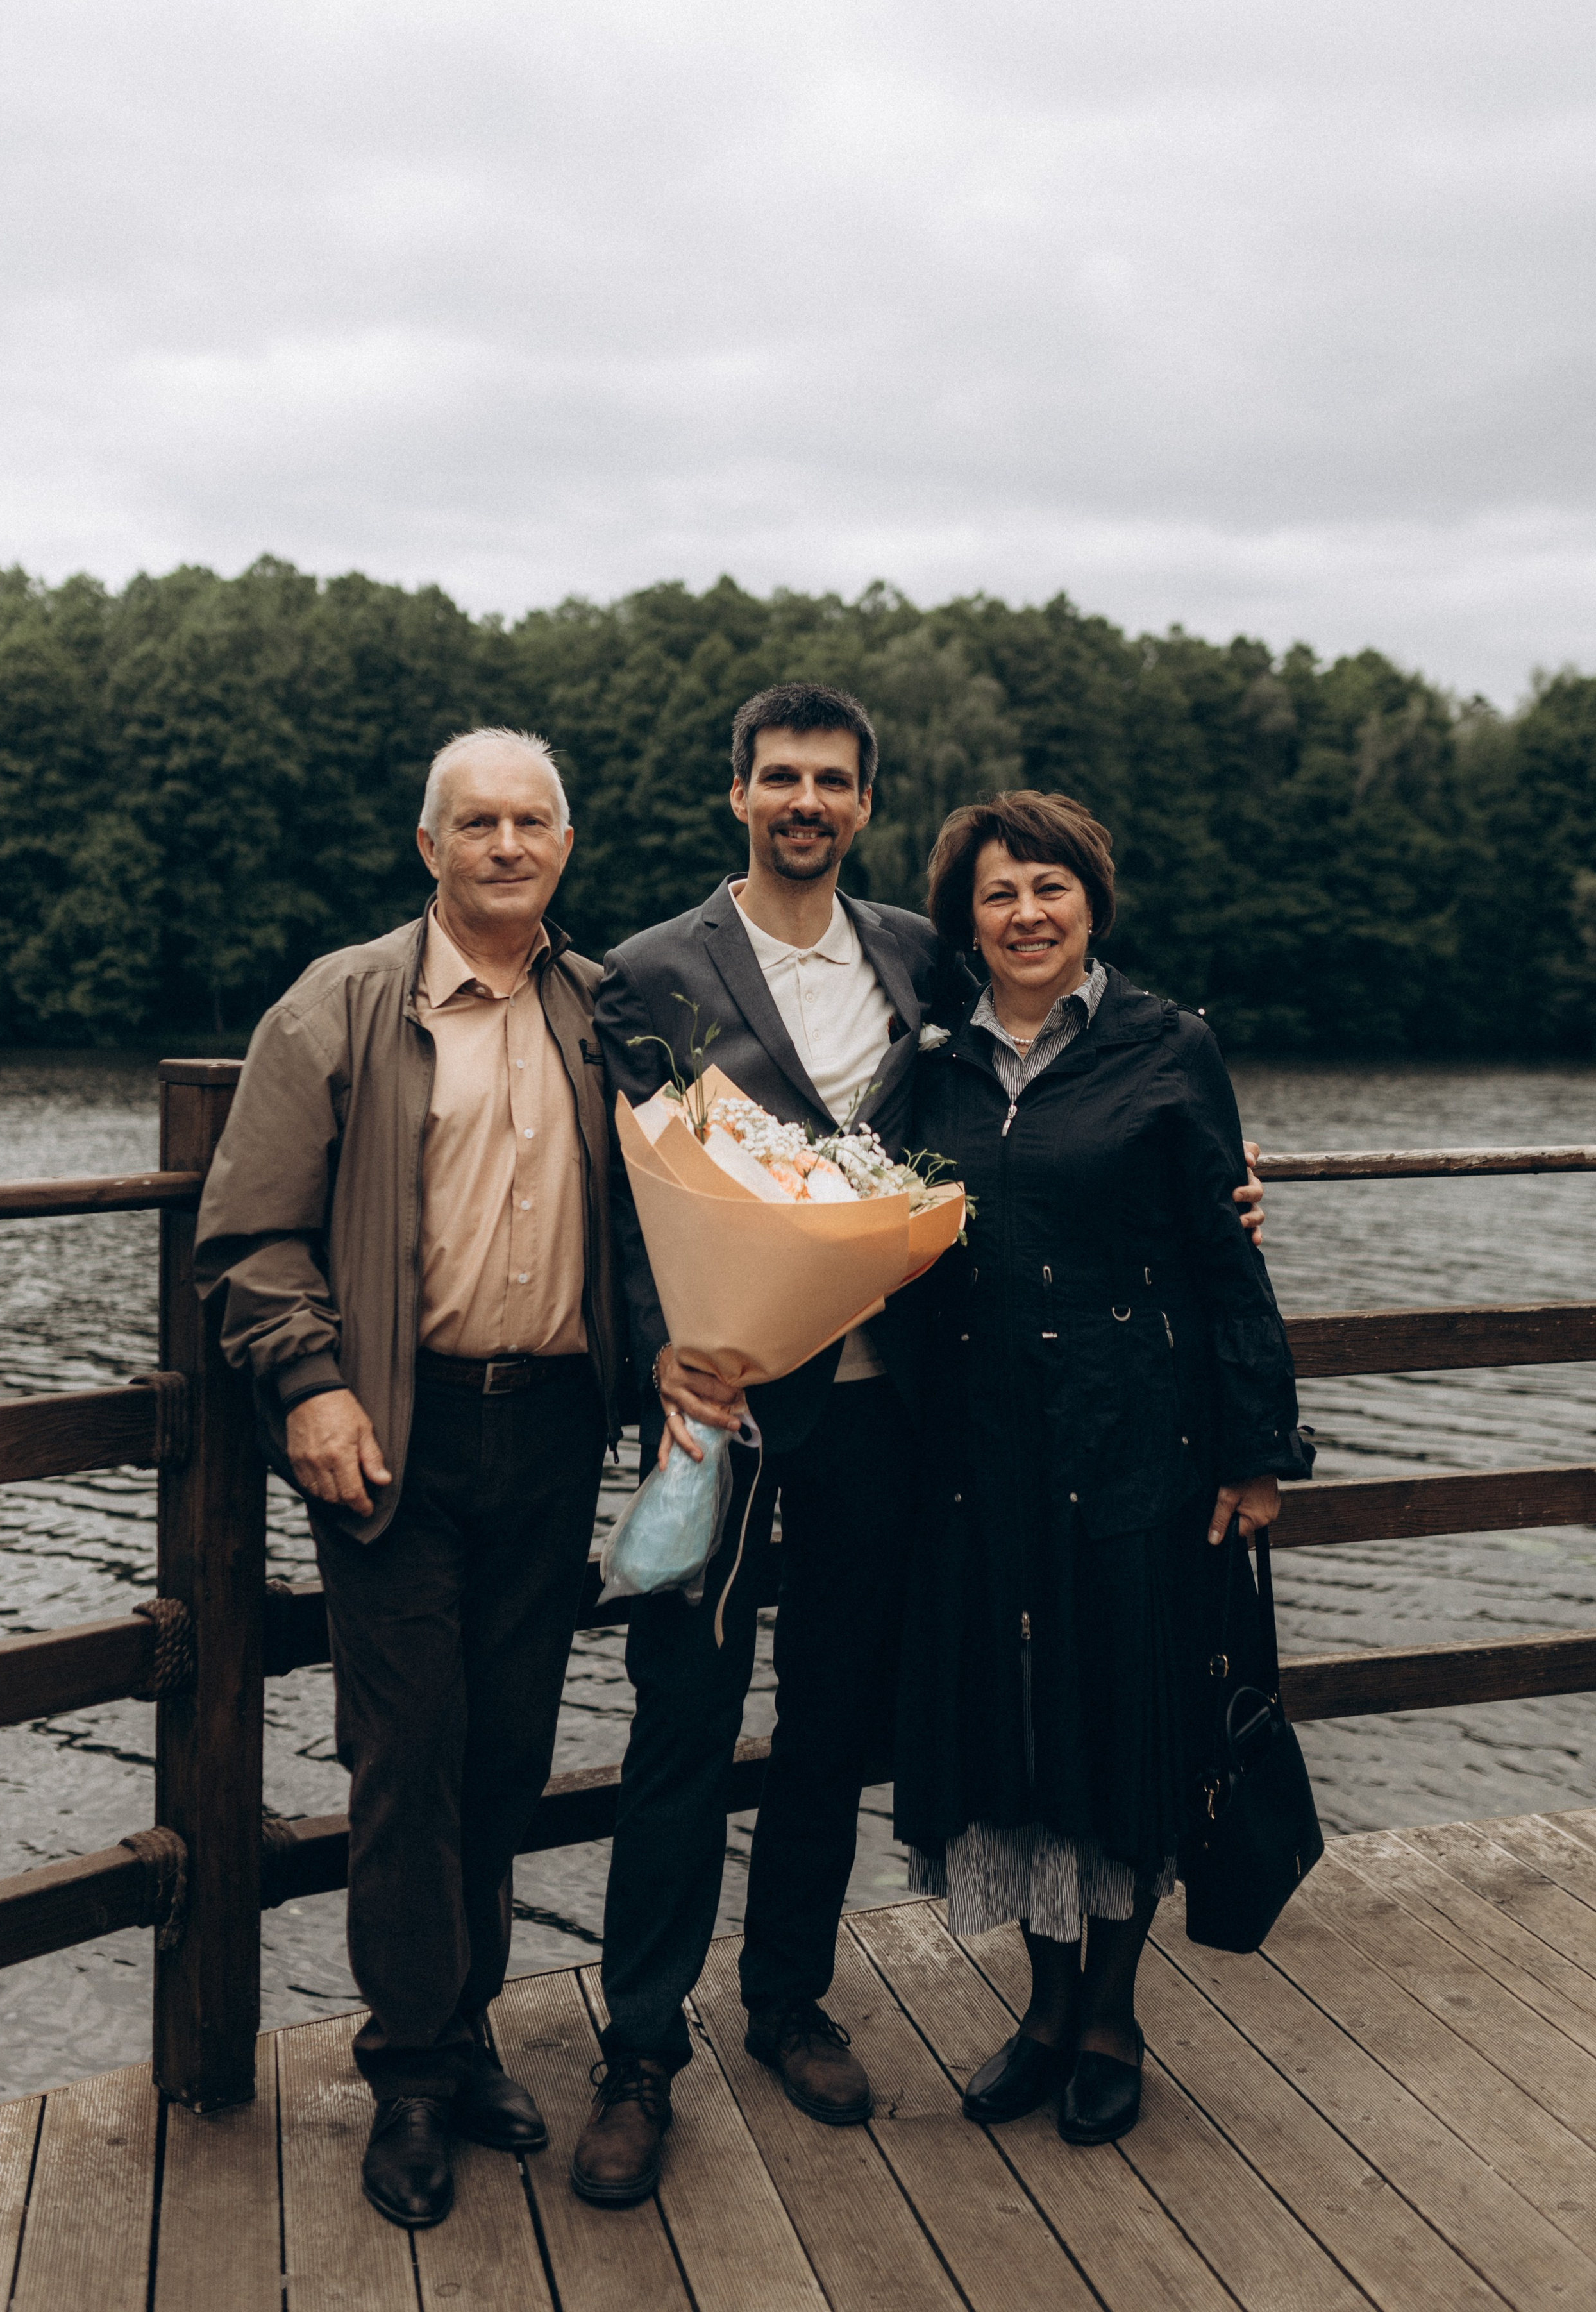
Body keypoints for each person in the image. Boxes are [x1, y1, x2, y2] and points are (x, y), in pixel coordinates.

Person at [574, 691, 1268, 2206]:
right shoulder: (642, 973)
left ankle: (786, 2002)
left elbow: (1072, 1038)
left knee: (831, 1720)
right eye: (777, 779)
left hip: (893, 1413)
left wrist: (1220, 1169)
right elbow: (613, 1191)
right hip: (724, 1415)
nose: (801, 801)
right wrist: (657, 1354)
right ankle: (636, 2050)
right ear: (733, 792)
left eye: (830, 780)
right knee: (682, 1726)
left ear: (864, 804)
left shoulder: (919, 953)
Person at [193, 728, 621, 2231]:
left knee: (505, 1751)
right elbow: (251, 1233)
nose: (506, 845)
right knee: (405, 1758)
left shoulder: (604, 1010)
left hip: (556, 1427)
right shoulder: (340, 1002)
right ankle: (410, 2077)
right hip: (393, 1431)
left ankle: (466, 2026)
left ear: (564, 845)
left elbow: (723, 1177)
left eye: (532, 821)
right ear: (427, 846)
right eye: (476, 822)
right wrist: (307, 1382)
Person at [893, 789, 1313, 2147]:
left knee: (1121, 1723)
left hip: (1135, 1449)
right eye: (999, 895)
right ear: (967, 920)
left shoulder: (1166, 1045)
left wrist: (1258, 1451)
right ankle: (1039, 2006)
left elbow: (1222, 1258)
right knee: (1012, 1730)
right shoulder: (932, 1067)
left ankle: (1111, 2019)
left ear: (1091, 903)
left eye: (1049, 888)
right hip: (976, 1460)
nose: (1025, 914)